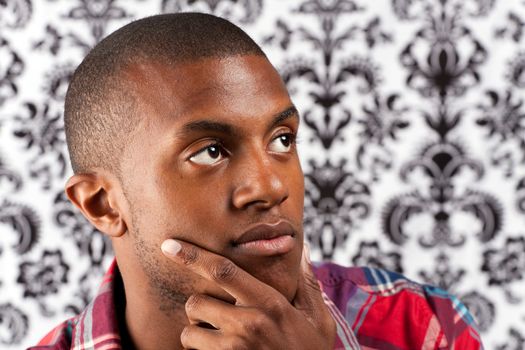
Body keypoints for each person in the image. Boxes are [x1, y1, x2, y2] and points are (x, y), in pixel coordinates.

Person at [29, 13, 483, 350]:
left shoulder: (419, 324)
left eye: (282, 140)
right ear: (103, 204)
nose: (270, 187)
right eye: (210, 151)